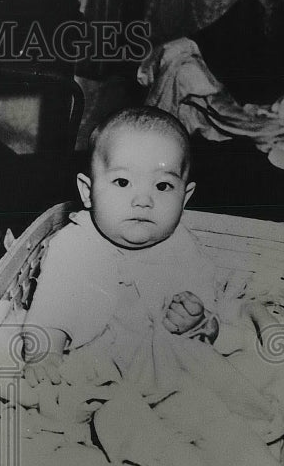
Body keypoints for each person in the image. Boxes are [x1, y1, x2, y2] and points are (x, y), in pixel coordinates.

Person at [21, 106, 220, 384]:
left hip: (162, 368)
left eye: (162, 186)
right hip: (88, 364)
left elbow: (206, 308)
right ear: (87, 192)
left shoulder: (184, 248)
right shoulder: (73, 246)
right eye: (123, 181)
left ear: (184, 199)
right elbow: (49, 311)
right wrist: (44, 355)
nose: (143, 200)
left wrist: (196, 320)